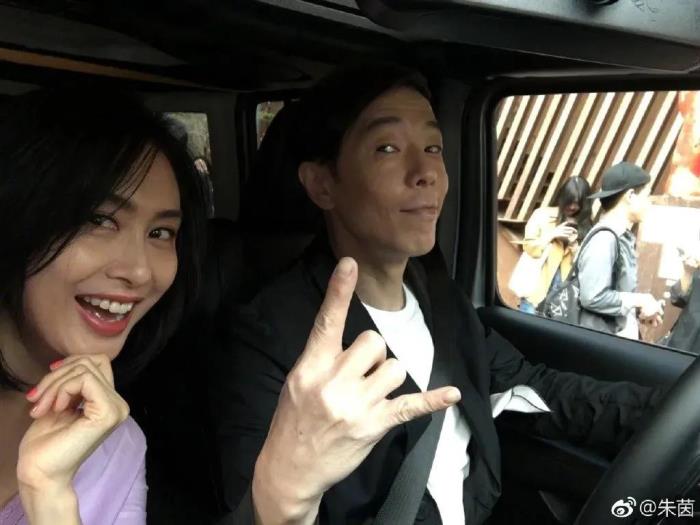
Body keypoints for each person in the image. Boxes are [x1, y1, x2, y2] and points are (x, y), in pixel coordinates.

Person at [210, 64, 665, 525]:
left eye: (433, 147)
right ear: (322, 184)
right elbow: (261, 510)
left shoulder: (440, 298)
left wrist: (660, 414)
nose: (427, 171)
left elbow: (534, 386)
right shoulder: (269, 337)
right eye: (387, 148)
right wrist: (289, 493)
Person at [0, 88, 207, 524]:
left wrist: (50, 498)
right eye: (99, 220)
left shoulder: (115, 442)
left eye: (161, 233)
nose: (140, 272)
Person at [577, 162, 664, 339]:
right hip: (599, 344)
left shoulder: (619, 237)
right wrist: (640, 299)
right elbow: (592, 297)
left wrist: (638, 308)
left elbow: (613, 293)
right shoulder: (605, 239)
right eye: (647, 195)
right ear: (630, 196)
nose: (649, 203)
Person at [515, 176, 592, 313]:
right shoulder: (542, 215)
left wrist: (573, 244)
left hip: (563, 298)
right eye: (569, 201)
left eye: (577, 203)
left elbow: (585, 264)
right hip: (535, 290)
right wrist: (552, 235)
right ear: (562, 197)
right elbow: (529, 247)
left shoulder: (587, 226)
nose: (572, 207)